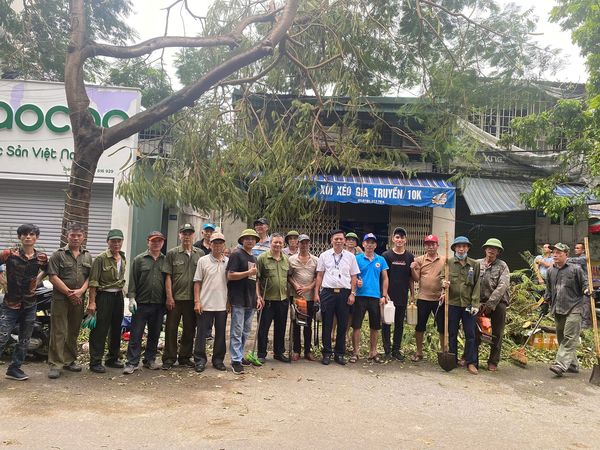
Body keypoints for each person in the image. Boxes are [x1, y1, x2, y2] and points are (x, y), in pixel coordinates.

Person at [0, 224, 48, 381]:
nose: (28, 237)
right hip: (10, 303)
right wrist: (2, 280)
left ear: (36, 237)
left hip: (29, 303)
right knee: (2, 336)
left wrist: (38, 280)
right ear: (20, 237)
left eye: (31, 234)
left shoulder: (41, 257)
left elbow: (48, 269)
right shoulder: (9, 254)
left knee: (25, 338)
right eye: (24, 234)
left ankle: (14, 369)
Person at [47, 223, 92, 379]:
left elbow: (89, 278)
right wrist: (69, 292)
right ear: (68, 236)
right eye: (73, 235)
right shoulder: (57, 255)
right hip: (61, 298)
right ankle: (55, 364)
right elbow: (52, 276)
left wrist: (80, 292)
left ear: (83, 237)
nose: (76, 238)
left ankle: (70, 360)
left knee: (73, 331)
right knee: (58, 331)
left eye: (79, 235)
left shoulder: (87, 256)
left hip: (78, 299)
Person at [540, 242, 588, 377]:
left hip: (574, 307)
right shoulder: (550, 271)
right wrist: (545, 302)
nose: (555, 255)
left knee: (569, 337)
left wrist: (587, 290)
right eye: (554, 253)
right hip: (557, 308)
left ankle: (560, 365)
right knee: (561, 338)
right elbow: (549, 290)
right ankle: (572, 364)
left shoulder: (575, 269)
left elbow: (584, 284)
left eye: (558, 253)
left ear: (566, 254)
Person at [123, 231, 167, 374]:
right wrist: (131, 298)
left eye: (159, 241)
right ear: (148, 242)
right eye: (153, 241)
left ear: (163, 243)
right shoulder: (139, 260)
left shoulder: (165, 260)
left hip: (158, 304)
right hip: (141, 303)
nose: (156, 244)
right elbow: (133, 280)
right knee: (136, 334)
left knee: (154, 334)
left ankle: (150, 360)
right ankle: (132, 362)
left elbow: (168, 282)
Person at [314, 229, 360, 365]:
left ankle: (339, 354)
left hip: (344, 293)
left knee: (343, 324)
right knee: (327, 324)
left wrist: (353, 293)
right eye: (336, 239)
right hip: (327, 293)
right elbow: (320, 275)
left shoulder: (350, 257)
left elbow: (354, 276)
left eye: (341, 239)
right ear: (331, 240)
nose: (339, 241)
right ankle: (327, 353)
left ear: (344, 241)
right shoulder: (324, 255)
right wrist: (317, 293)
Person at [162, 223, 204, 370]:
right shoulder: (172, 253)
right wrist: (169, 297)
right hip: (176, 299)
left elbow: (203, 278)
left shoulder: (200, 254)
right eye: (184, 233)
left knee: (189, 329)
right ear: (179, 235)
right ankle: (169, 358)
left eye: (189, 233)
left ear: (194, 235)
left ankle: (185, 357)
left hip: (193, 299)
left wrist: (200, 300)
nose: (187, 236)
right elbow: (168, 276)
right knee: (171, 328)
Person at [87, 229, 126, 373]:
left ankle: (112, 358)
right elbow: (93, 282)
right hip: (104, 296)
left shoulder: (122, 257)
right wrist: (92, 302)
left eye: (119, 241)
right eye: (113, 241)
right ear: (108, 242)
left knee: (116, 328)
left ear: (122, 242)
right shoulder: (100, 258)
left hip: (118, 296)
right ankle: (95, 361)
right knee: (100, 329)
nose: (116, 244)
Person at [441, 236, 481, 375]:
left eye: (464, 246)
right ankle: (453, 359)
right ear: (454, 249)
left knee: (470, 334)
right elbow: (442, 278)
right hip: (452, 303)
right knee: (452, 333)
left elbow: (477, 285)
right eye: (458, 246)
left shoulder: (474, 264)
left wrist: (475, 303)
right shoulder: (448, 262)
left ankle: (471, 362)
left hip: (469, 304)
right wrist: (443, 284)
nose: (461, 249)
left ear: (468, 248)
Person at [193, 232, 229, 372]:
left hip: (222, 304)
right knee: (201, 334)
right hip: (205, 304)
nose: (218, 245)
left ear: (223, 245)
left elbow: (230, 284)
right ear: (211, 244)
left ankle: (218, 360)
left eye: (220, 243)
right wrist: (197, 301)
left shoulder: (228, 262)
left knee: (220, 334)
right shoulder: (203, 260)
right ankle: (200, 360)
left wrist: (229, 302)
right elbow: (197, 282)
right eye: (215, 243)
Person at [227, 229, 262, 374]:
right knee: (237, 330)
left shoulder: (253, 258)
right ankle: (235, 360)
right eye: (247, 238)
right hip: (238, 298)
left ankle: (240, 356)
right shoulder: (236, 255)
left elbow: (255, 280)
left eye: (253, 239)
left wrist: (258, 296)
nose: (250, 241)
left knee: (246, 331)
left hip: (250, 299)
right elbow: (230, 275)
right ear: (242, 240)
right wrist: (247, 273)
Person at [351, 233, 389, 363]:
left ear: (375, 245)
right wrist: (356, 282)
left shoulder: (381, 260)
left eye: (372, 242)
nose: (370, 245)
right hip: (360, 296)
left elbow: (385, 278)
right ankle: (355, 352)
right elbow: (352, 275)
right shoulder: (357, 259)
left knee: (375, 326)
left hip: (375, 297)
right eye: (367, 242)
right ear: (363, 244)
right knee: (356, 326)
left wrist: (384, 295)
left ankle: (373, 352)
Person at [410, 234, 445, 362]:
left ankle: (443, 352)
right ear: (425, 246)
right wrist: (413, 269)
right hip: (423, 298)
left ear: (437, 246)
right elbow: (416, 278)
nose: (430, 247)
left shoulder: (444, 260)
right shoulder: (419, 260)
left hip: (439, 299)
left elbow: (448, 278)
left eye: (433, 244)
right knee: (420, 326)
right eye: (428, 244)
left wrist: (445, 291)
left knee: (442, 326)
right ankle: (419, 352)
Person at [256, 233, 290, 363]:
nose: (278, 245)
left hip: (282, 299)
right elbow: (257, 279)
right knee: (263, 328)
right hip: (267, 300)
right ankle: (261, 353)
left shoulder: (286, 259)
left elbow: (289, 276)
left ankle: (278, 352)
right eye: (275, 242)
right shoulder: (262, 258)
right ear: (270, 243)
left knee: (281, 327)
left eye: (280, 243)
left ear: (283, 244)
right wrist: (258, 296)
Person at [381, 226, 414, 361]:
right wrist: (384, 294)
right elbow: (383, 277)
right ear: (393, 239)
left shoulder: (409, 256)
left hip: (402, 295)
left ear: (406, 240)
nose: (399, 239)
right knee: (386, 323)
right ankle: (387, 350)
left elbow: (411, 278)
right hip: (389, 296)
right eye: (397, 237)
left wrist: (412, 294)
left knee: (399, 324)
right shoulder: (386, 255)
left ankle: (396, 350)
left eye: (402, 237)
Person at [477, 238, 510, 372]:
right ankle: (470, 357)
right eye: (489, 247)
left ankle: (493, 361)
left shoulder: (502, 266)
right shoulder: (477, 263)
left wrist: (491, 304)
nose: (491, 250)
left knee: (497, 332)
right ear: (485, 249)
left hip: (498, 303)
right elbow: (471, 282)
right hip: (479, 303)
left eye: (494, 248)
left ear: (498, 251)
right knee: (473, 330)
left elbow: (503, 286)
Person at [288, 234, 318, 361]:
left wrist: (309, 287)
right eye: (301, 243)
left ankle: (307, 350)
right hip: (296, 296)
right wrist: (295, 285)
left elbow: (318, 277)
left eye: (306, 242)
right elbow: (288, 276)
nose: (304, 245)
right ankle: (296, 350)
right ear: (297, 244)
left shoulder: (315, 260)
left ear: (309, 244)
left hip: (309, 297)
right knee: (296, 324)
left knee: (308, 324)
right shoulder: (291, 260)